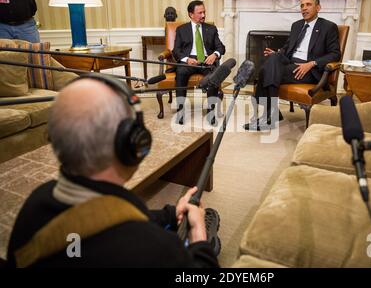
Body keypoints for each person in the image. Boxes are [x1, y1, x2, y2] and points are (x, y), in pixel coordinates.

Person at [6, 76, 220, 268]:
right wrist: (199, 238)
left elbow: (109, 214)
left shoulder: (34, 204)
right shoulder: (154, 250)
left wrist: (170, 214)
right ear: (134, 143)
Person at [244, 0, 341, 131]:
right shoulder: (297, 25)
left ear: (318, 8)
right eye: (302, 6)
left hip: (308, 69)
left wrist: (312, 63)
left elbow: (335, 53)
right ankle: (271, 114)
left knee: (266, 71)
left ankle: (270, 115)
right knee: (272, 60)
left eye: (308, 5)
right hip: (290, 63)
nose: (304, 8)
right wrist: (277, 53)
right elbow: (288, 48)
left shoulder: (328, 27)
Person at [172, 0, 226, 125]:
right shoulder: (181, 29)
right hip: (189, 60)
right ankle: (180, 111)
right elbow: (176, 50)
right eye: (200, 12)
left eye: (204, 12)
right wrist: (186, 59)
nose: (203, 15)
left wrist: (215, 54)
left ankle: (210, 112)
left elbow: (221, 47)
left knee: (213, 75)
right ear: (191, 14)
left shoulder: (211, 29)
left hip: (207, 60)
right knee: (180, 72)